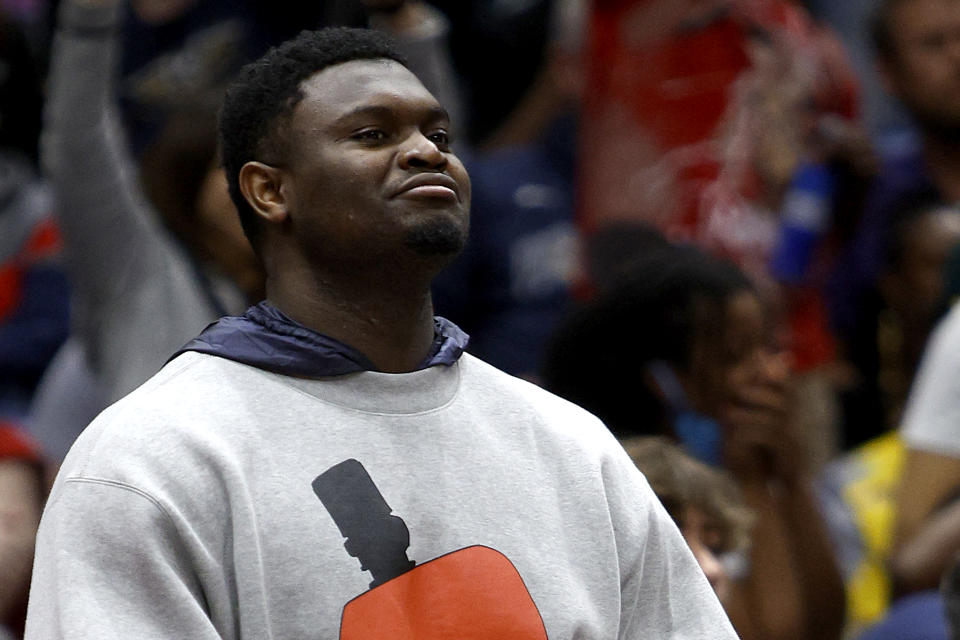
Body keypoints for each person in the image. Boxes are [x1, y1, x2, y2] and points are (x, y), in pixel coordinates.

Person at [25, 26, 737, 639]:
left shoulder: (570, 445)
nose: (427, 152)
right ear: (270, 191)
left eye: (438, 134)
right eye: (373, 134)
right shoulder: (153, 460)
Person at [544, 240, 847, 639]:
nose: (770, 373)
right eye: (735, 356)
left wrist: (790, 480)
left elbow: (828, 623)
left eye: (767, 347)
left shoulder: (741, 458)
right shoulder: (648, 489)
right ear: (661, 381)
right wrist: (754, 481)